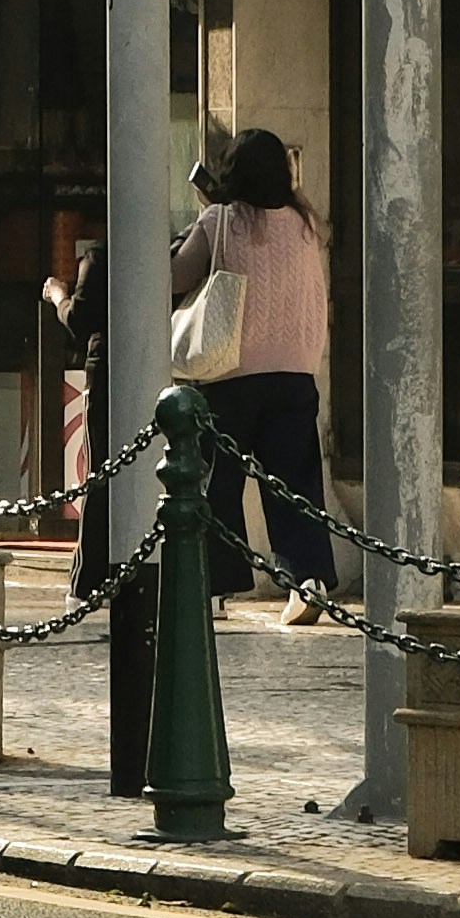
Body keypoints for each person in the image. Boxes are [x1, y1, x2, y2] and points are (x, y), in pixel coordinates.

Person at [173, 127, 336, 618]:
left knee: (218, 483)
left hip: (231, 372)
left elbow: (178, 276)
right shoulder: (306, 224)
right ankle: (306, 581)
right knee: (295, 483)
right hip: (295, 372)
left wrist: (200, 216)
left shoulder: (220, 220)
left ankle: (215, 587)